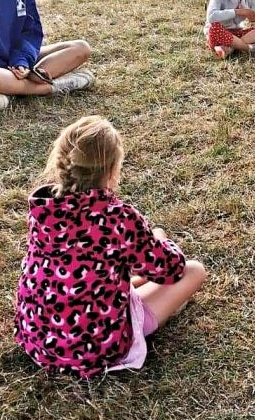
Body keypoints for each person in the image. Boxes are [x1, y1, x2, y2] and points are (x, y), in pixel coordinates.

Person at [15, 116, 207, 378]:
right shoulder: (117, 218)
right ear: (111, 170)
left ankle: (136, 285)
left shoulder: (42, 207)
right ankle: (160, 308)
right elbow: (171, 269)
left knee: (122, 264)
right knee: (194, 270)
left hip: (39, 337)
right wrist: (161, 240)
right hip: (96, 347)